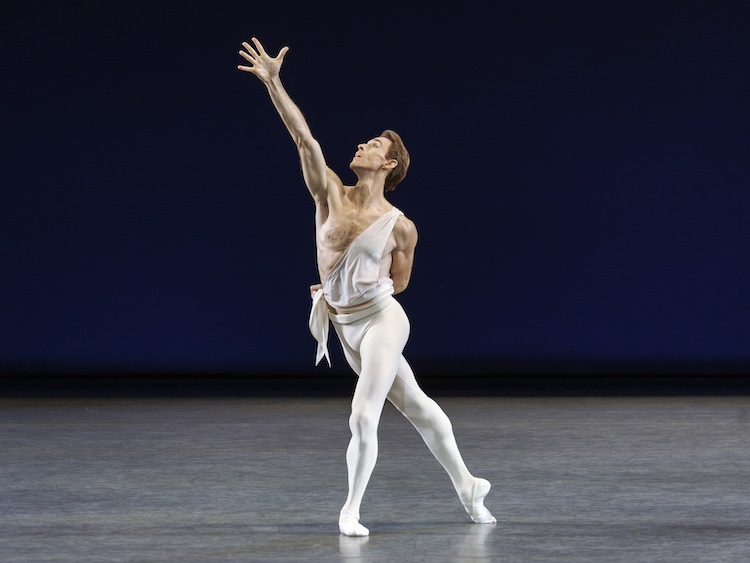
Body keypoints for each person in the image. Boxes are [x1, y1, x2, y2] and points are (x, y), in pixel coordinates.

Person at [238, 37, 495, 537]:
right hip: (344, 324)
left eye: (374, 145)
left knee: (363, 412)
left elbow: (400, 282)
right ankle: (468, 486)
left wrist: (364, 288)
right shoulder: (330, 193)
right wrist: (273, 81)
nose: (362, 145)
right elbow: (303, 140)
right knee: (417, 405)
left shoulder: (401, 225)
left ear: (389, 164)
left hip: (381, 320)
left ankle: (350, 511)